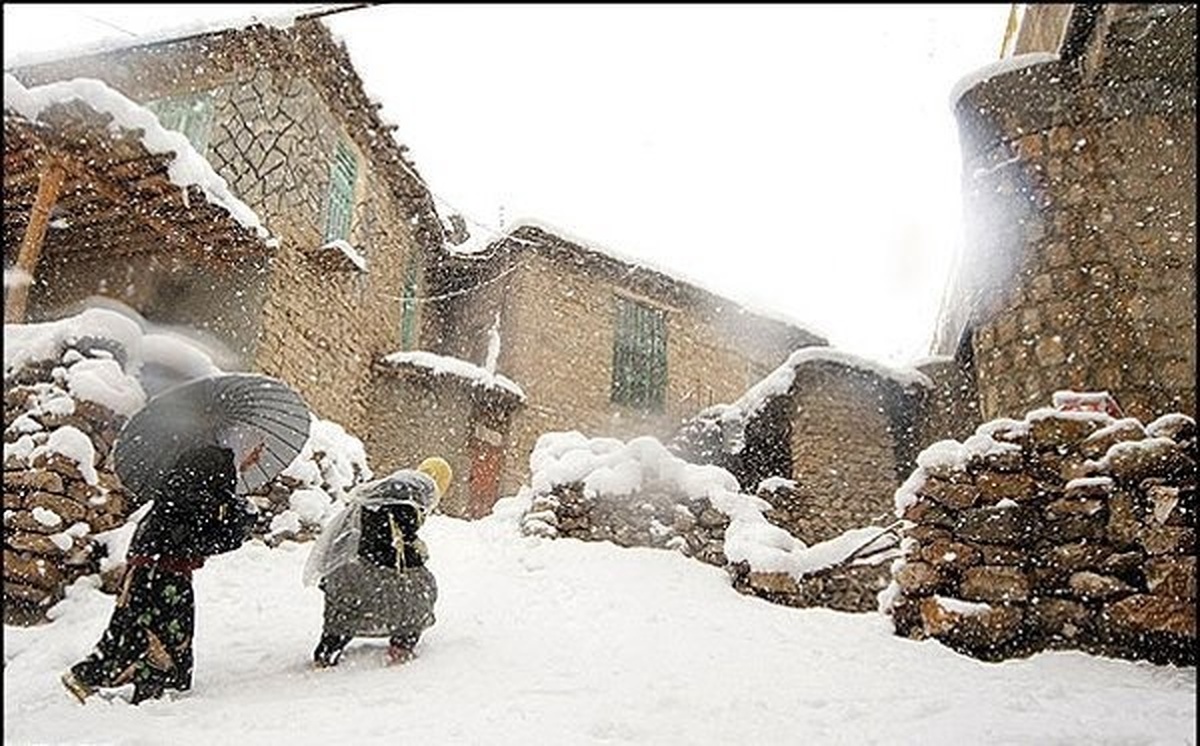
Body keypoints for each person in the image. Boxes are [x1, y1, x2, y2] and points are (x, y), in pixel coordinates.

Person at [61, 444, 256, 705]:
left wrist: (238, 474)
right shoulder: (191, 495)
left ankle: (131, 682)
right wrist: (238, 519)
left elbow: (207, 516)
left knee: (135, 628)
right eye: (226, 473)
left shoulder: (185, 484)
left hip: (156, 570)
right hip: (160, 574)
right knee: (148, 632)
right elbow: (206, 535)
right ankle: (120, 682)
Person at [303, 456, 452, 668]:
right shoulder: (407, 505)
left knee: (344, 610)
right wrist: (416, 552)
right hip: (373, 574)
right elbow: (398, 552)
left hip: (347, 571)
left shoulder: (381, 499)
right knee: (419, 592)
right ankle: (401, 648)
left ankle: (328, 651)